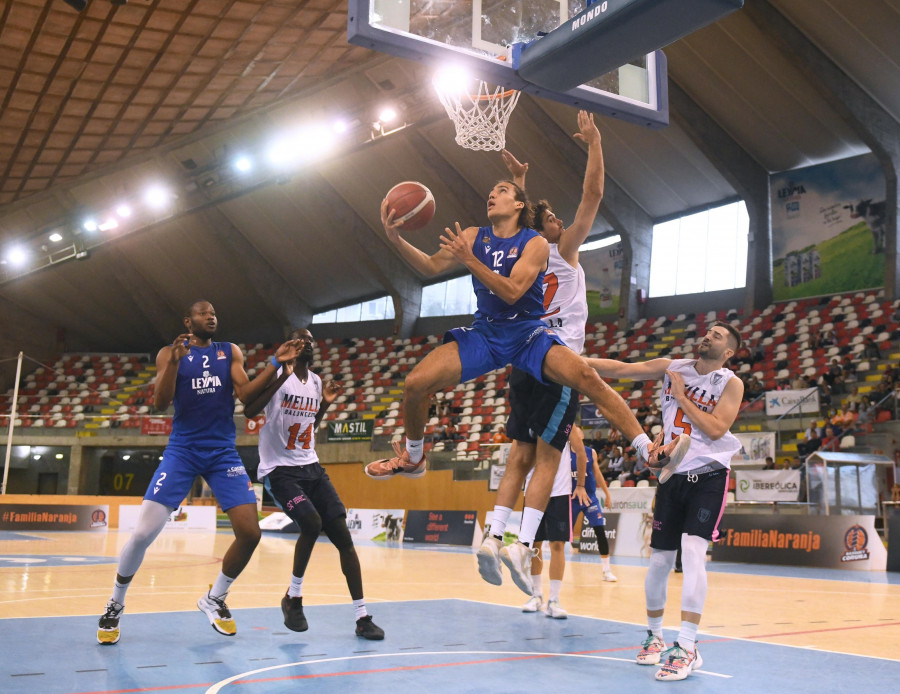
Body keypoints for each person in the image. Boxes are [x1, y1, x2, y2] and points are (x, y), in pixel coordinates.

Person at [364, 111, 690, 599]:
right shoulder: (475, 234)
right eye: (492, 190)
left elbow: (519, 290)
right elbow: (432, 265)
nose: (489, 193)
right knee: (415, 384)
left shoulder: (541, 244)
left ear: (517, 205)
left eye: (501, 190)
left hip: (529, 335)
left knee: (583, 386)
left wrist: (591, 145)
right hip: (488, 335)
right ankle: (414, 458)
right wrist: (396, 238)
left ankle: (648, 452)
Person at [470, 113, 690, 595]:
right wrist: (595, 143)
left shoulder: (519, 250)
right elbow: (592, 197)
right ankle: (642, 450)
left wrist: (521, 183)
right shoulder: (559, 249)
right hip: (556, 362)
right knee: (551, 453)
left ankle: (494, 536)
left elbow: (520, 220)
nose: (560, 222)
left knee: (520, 456)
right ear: (547, 227)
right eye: (552, 219)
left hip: (523, 359)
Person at [97, 301, 303, 645]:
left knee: (251, 533)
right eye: (204, 312)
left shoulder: (229, 351)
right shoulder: (170, 353)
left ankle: (215, 598)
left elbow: (247, 395)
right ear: (188, 321)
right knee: (143, 534)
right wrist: (174, 364)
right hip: (182, 451)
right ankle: (115, 603)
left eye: (214, 313)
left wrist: (274, 364)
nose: (211, 316)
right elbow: (160, 402)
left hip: (222, 453)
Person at [586, 320, 744, 681]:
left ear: (729, 352)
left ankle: (687, 645)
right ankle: (655, 637)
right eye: (707, 332)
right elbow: (622, 369)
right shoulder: (674, 367)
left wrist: (683, 397)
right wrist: (572, 360)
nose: (707, 336)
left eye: (717, 336)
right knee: (658, 561)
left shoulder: (730, 383)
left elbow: (717, 429)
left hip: (709, 476)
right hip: (671, 475)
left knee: (691, 553)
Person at [243, 327, 384, 640]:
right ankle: (293, 599)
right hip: (280, 471)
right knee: (310, 522)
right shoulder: (278, 374)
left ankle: (362, 617)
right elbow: (249, 410)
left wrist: (325, 405)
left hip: (311, 466)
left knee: (343, 537)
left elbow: (310, 426)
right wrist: (279, 374)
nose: (305, 343)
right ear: (289, 346)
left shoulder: (318, 382)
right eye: (298, 339)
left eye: (309, 340)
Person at [521, 433, 584, 618]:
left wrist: (580, 485)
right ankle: (536, 595)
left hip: (560, 492)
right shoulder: (529, 418)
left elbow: (580, 452)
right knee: (535, 546)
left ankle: (554, 600)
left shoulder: (566, 418)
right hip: (534, 492)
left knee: (558, 545)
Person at [569, 425, 616, 582]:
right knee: (562, 535)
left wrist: (607, 494)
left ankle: (606, 570)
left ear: (581, 434)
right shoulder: (564, 454)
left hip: (589, 498)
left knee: (599, 530)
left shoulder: (591, 452)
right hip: (572, 498)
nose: (575, 432)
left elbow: (597, 474)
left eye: (577, 429)